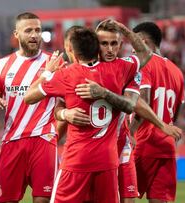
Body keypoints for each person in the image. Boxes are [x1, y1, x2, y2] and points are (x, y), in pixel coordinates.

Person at [24, 20, 153, 202]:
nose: (109, 49)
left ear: (72, 50)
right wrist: (64, 114)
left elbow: (28, 97)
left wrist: (47, 72)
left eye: (113, 43)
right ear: (95, 45)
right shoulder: (122, 69)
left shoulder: (66, 75)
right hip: (108, 160)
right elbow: (146, 53)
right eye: (104, 43)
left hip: (78, 159)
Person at [0, 12, 59, 203]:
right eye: (28, 31)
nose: (34, 35)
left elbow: (67, 100)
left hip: (43, 139)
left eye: (38, 30)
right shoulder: (1, 65)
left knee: (43, 199)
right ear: (16, 34)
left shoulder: (54, 63)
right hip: (12, 141)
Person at [130, 22, 185, 203]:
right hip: (167, 146)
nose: (132, 50)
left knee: (121, 195)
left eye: (134, 44)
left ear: (143, 41)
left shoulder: (144, 64)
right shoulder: (177, 72)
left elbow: (142, 102)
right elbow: (175, 116)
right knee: (159, 200)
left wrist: (129, 133)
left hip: (144, 142)